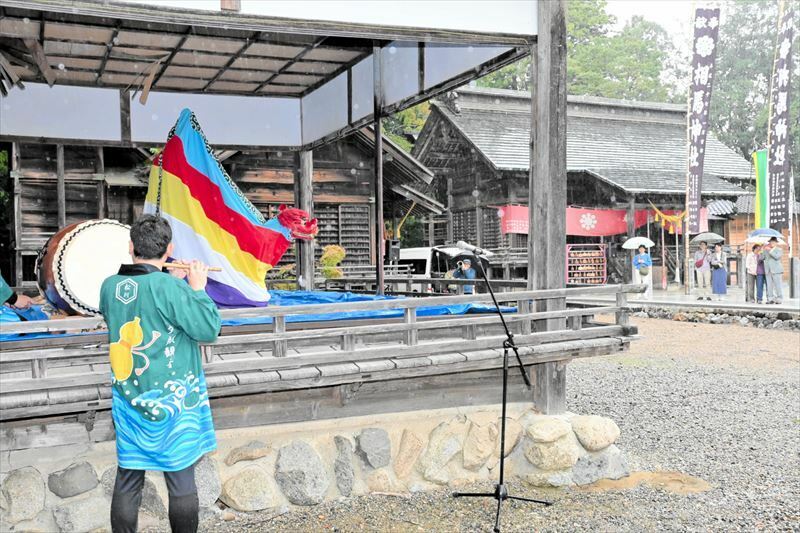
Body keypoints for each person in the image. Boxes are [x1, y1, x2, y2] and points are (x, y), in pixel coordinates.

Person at [99, 215, 221, 533]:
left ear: (130, 247)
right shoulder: (169, 286)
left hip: (128, 397)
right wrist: (196, 289)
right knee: (180, 478)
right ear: (169, 249)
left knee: (128, 477)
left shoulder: (109, 287)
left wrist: (176, 285)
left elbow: (144, 303)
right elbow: (208, 329)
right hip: (172, 403)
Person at [761, 236, 784, 304]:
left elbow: (777, 257)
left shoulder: (779, 249)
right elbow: (762, 258)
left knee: (778, 285)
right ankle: (770, 299)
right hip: (768, 270)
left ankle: (779, 298)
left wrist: (770, 250)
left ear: (776, 243)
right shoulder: (766, 249)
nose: (772, 243)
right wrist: (762, 250)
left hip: (776, 270)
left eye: (773, 242)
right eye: (771, 242)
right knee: (769, 285)